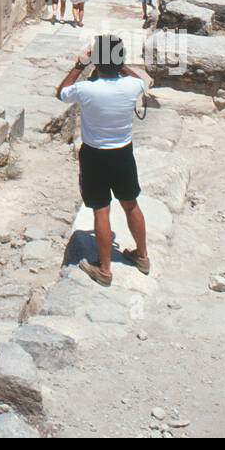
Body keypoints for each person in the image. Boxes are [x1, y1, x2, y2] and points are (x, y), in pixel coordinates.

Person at [57, 34, 151, 287]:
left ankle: (105, 269)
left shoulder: (86, 89)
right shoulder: (133, 86)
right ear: (120, 62)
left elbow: (61, 92)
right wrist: (119, 64)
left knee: (101, 210)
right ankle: (142, 256)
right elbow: (139, 80)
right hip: (123, 152)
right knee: (131, 204)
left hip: (95, 154)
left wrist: (80, 64)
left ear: (97, 63)